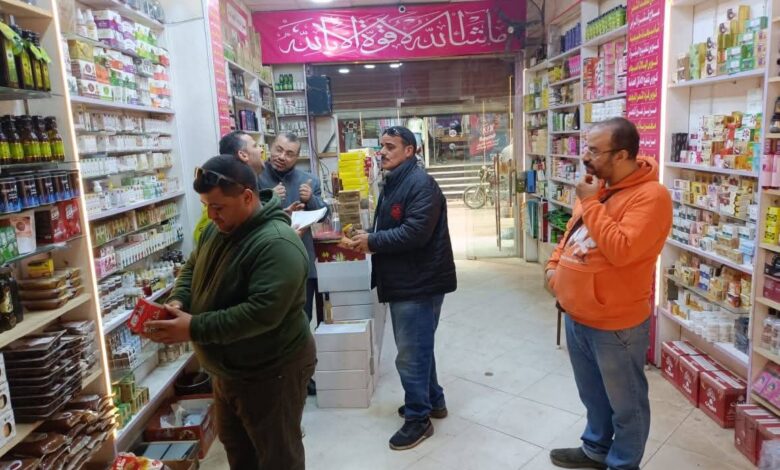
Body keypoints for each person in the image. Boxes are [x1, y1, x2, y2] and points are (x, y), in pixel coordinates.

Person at [145, 155, 315, 470]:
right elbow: (193, 267)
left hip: (270, 371)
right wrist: (179, 301)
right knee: (239, 451)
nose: (211, 215)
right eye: (206, 206)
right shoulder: (218, 229)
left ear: (247, 197)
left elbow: (261, 313)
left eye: (218, 207)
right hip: (228, 371)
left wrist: (194, 328)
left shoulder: (277, 244)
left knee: (278, 457)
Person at [545, 117, 672, 470]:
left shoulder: (652, 197)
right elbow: (572, 235)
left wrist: (591, 204)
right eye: (586, 148)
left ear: (622, 155)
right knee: (593, 396)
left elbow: (621, 250)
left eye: (594, 150)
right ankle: (595, 450)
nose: (585, 157)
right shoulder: (597, 188)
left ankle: (623, 463)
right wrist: (553, 269)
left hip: (616, 324)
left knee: (627, 404)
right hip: (577, 315)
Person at [347, 125, 457, 451]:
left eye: (390, 146)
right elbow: (392, 224)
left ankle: (418, 419)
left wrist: (372, 241)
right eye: (381, 146)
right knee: (420, 347)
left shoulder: (420, 184)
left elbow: (415, 233)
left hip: (418, 283)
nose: (382, 152)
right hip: (407, 279)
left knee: (409, 356)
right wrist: (367, 235)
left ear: (410, 151)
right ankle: (433, 401)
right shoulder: (396, 179)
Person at [258, 132, 326, 326]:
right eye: (278, 150)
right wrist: (268, 199)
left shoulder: (309, 180)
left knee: (303, 320)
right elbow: (245, 217)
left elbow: (324, 214)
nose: (282, 157)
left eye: (289, 154)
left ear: (297, 157)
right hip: (267, 263)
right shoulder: (255, 177)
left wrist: (311, 199)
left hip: (302, 260)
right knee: (272, 323)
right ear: (270, 148)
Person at [193, 131, 267, 244]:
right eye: (255, 146)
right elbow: (204, 240)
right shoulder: (217, 193)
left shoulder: (254, 183)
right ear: (243, 155)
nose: (261, 150)